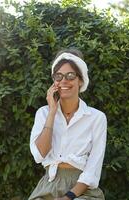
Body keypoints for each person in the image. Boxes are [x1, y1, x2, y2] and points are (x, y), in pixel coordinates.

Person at [28, 49, 107, 200]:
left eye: (70, 75)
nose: (64, 80)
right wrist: (52, 112)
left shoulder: (97, 118)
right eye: (58, 76)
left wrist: (68, 197)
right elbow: (39, 155)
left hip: (81, 190)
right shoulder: (43, 113)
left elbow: (93, 169)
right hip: (49, 186)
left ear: (81, 80)